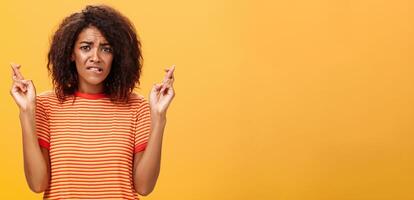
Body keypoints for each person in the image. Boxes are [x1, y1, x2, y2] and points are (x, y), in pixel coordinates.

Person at [9, 5, 175, 200]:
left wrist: (159, 118)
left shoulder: (137, 107)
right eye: (86, 47)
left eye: (106, 49)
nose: (95, 57)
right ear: (71, 53)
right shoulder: (46, 106)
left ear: (117, 56)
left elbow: (144, 187)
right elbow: (37, 184)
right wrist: (26, 112)